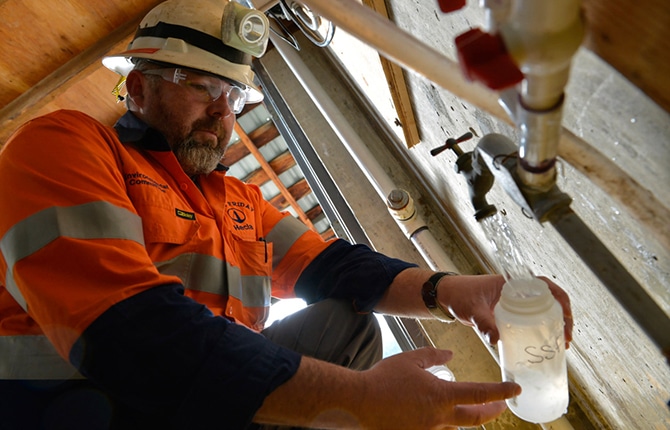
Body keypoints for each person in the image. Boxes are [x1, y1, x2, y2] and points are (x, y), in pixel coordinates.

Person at [0, 0, 572, 429]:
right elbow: (126, 330)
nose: (221, 114)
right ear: (139, 89)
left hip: (212, 404)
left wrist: (456, 291)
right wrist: (362, 399)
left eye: (235, 97)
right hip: (84, 410)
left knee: (346, 327)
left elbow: (339, 269)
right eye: (201, 87)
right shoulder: (66, 144)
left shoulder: (235, 200)